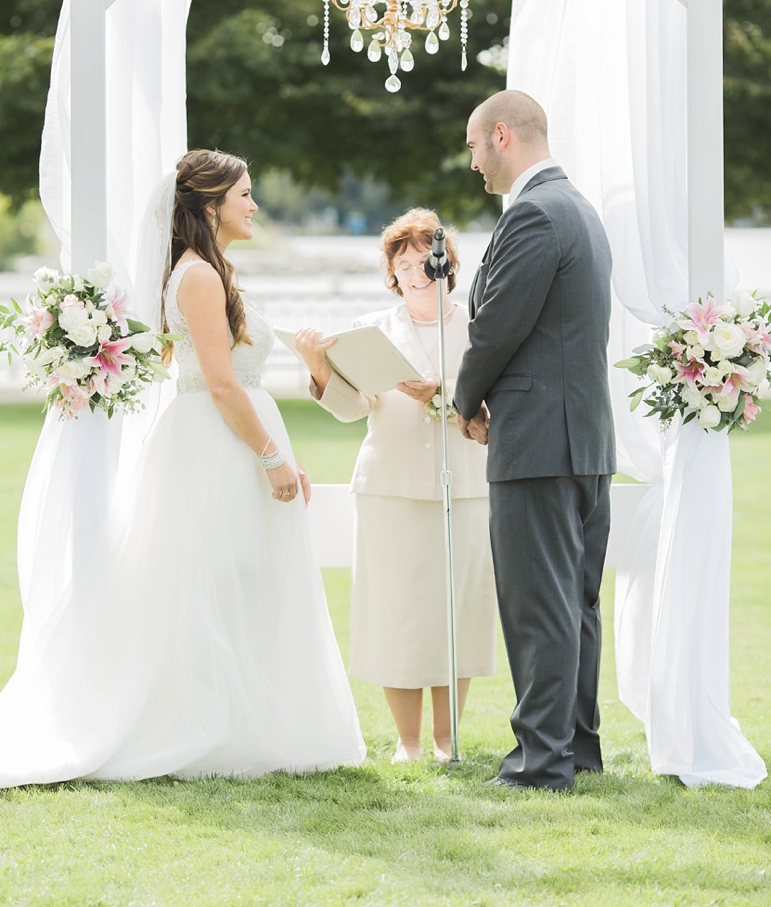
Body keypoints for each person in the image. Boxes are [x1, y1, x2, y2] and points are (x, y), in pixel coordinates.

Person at [0, 149, 365, 787]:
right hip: (216, 446)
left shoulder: (210, 271)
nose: (255, 204)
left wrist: (285, 447)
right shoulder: (198, 277)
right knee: (210, 583)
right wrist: (273, 456)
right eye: (245, 194)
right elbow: (221, 385)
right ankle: (205, 729)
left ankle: (237, 720)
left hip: (230, 439)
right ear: (209, 205)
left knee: (236, 582)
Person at [454, 90, 616, 792]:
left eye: (472, 146)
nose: (470, 163)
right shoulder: (578, 208)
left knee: (537, 602)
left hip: (537, 440)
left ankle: (539, 762)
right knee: (573, 602)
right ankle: (574, 746)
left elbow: (495, 325)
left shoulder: (532, 212)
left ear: (500, 135)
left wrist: (464, 399)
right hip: (583, 439)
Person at [294, 209, 497, 763]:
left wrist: (442, 392)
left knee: (458, 612)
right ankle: (408, 743)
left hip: (468, 490)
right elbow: (353, 407)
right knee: (397, 613)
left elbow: (496, 399)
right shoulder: (374, 330)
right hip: (390, 489)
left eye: (421, 264)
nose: (413, 275)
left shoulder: (479, 327)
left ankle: (446, 739)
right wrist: (320, 370)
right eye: (401, 265)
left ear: (445, 265)